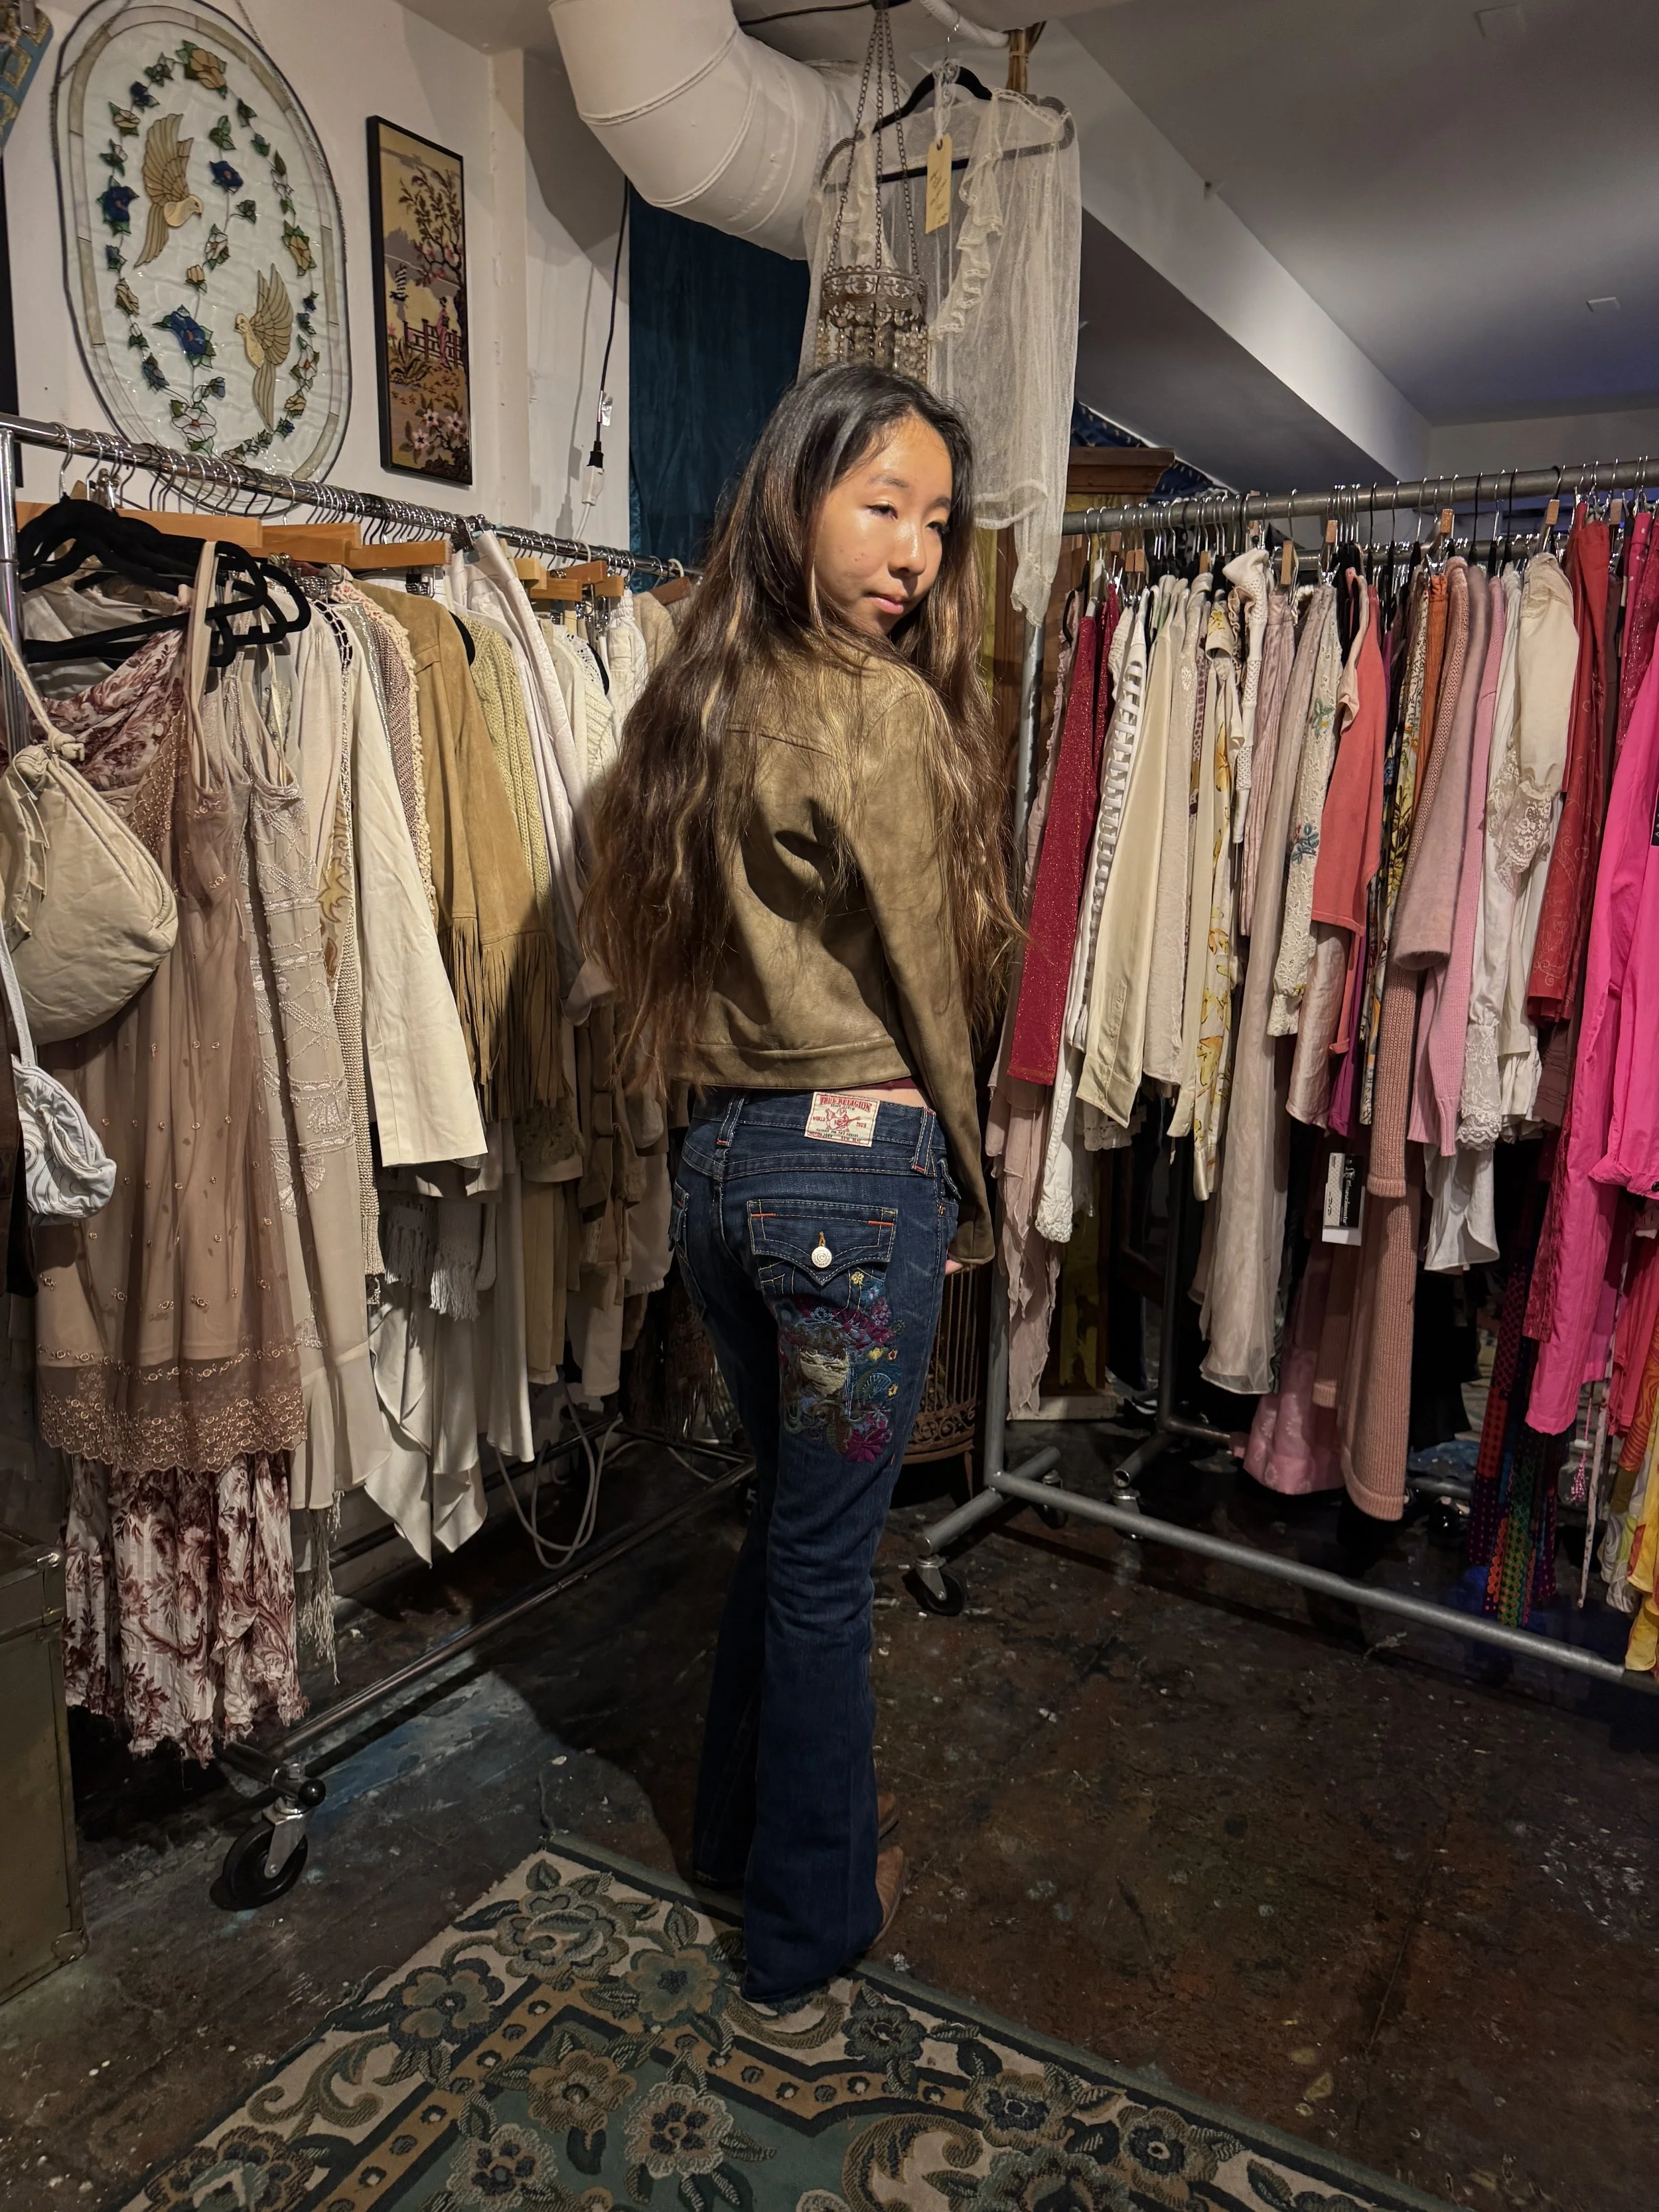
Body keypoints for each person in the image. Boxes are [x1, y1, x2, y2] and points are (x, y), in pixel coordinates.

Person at [583, 362, 1015, 2007]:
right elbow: (924, 976)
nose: (913, 552)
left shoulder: (696, 688)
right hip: (849, 1186)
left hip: (721, 1174)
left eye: (935, 520)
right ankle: (811, 1920)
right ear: (795, 498)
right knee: (828, 1568)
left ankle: (737, 1838)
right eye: (880, 504)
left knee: (786, 1529)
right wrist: (964, 1178)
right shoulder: (874, 707)